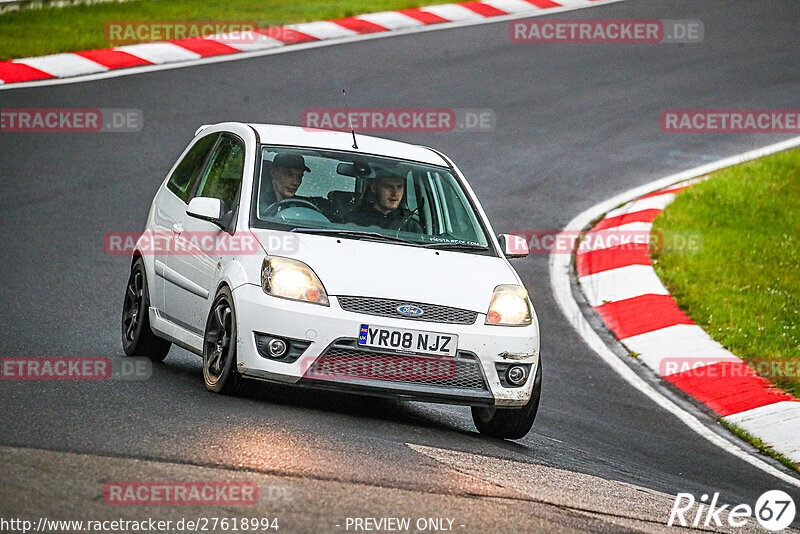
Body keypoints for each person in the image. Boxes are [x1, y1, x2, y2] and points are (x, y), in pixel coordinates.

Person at [344, 172, 423, 233]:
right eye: (388, 186)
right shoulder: (353, 220)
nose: (395, 193)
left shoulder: (411, 226)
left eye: (399, 187)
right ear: (374, 188)